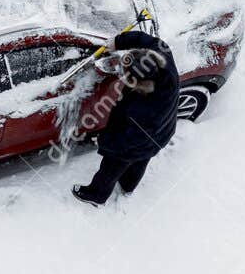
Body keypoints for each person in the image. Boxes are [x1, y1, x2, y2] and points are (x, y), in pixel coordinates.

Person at [73, 31, 180, 206]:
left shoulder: (146, 109)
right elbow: (145, 39)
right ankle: (128, 186)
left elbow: (128, 141)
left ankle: (96, 195)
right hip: (163, 132)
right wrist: (117, 41)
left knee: (112, 167)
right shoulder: (162, 56)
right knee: (140, 162)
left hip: (143, 139)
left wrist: (104, 141)